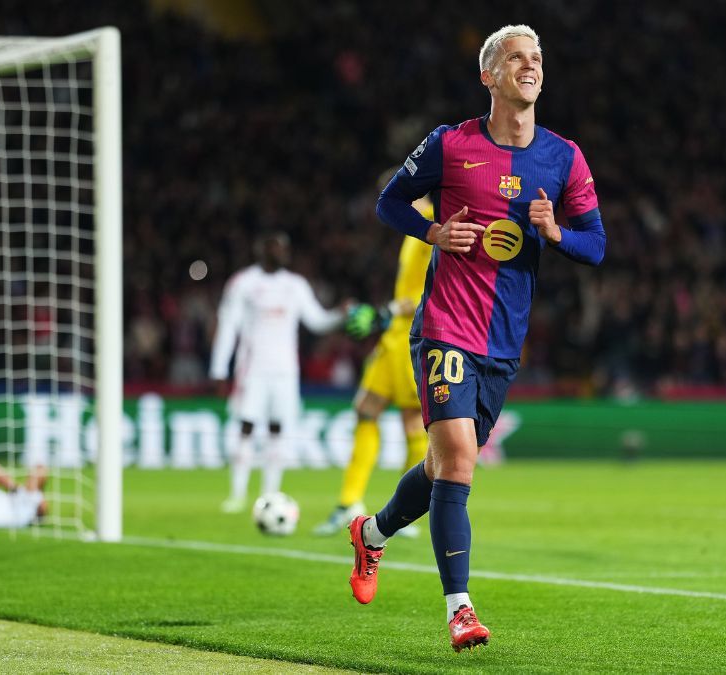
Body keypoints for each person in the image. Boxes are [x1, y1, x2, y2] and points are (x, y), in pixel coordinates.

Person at [348, 24, 606, 652]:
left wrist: (555, 235)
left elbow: (595, 246)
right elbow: (389, 203)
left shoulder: (563, 156)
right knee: (460, 460)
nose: (531, 66)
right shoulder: (449, 144)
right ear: (489, 75)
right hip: (443, 326)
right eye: (517, 58)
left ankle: (372, 536)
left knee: (442, 467)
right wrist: (432, 233)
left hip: (502, 343)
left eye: (538, 58)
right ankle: (460, 610)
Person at [313, 192, 434, 538]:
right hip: (396, 335)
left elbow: (435, 284)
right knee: (367, 410)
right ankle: (349, 502)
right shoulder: (416, 231)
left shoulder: (433, 222)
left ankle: (403, 512)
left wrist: (389, 311)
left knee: (412, 421)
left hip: (412, 332)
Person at [209, 231, 350, 513]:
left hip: (285, 371)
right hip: (252, 369)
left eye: (284, 248)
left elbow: (316, 321)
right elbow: (228, 327)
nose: (282, 252)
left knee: (277, 430)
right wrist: (218, 369)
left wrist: (339, 314)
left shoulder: (294, 285)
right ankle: (237, 494)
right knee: (246, 427)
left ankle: (269, 495)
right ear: (261, 250)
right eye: (276, 247)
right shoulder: (243, 283)